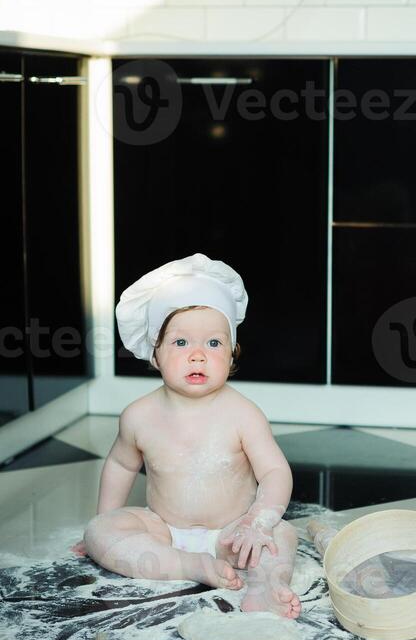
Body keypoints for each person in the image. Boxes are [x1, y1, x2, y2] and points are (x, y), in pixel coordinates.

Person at [82, 253, 301, 619]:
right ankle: (189, 565)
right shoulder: (139, 415)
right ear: (155, 354)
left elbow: (276, 473)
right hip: (162, 530)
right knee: (100, 533)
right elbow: (120, 466)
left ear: (232, 355)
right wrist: (106, 520)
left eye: (214, 344)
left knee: (282, 537)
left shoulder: (243, 414)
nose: (197, 356)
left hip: (232, 533)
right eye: (181, 343)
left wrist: (258, 521)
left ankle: (265, 587)